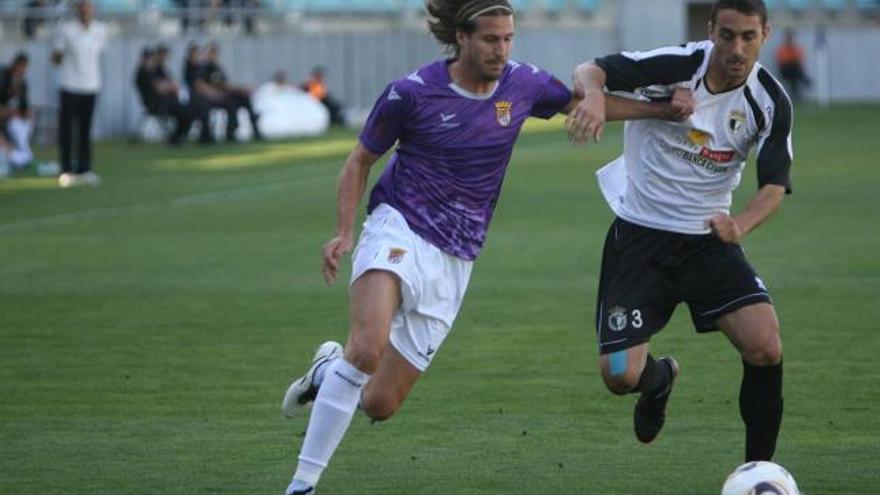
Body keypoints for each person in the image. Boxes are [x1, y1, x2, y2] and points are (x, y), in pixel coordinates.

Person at [278, 1, 693, 494]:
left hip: (456, 259)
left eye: (509, 38)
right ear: (463, 38)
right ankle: (302, 485)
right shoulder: (412, 93)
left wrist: (662, 111)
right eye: (491, 39)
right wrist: (345, 233)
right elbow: (359, 161)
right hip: (399, 227)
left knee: (378, 404)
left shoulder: (524, 84)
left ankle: (328, 370)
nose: (502, 50)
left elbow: (584, 104)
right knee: (367, 346)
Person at [566, 0, 792, 463]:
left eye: (748, 36)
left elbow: (774, 184)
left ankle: (759, 474)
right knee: (619, 376)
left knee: (765, 345)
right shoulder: (675, 64)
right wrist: (604, 98)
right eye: (726, 35)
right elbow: (589, 71)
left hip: (709, 239)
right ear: (711, 30)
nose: (736, 47)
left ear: (765, 34)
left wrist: (741, 224)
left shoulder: (769, 100)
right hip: (640, 237)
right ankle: (659, 379)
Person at [52, 0, 106, 187]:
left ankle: (85, 168)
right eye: (83, 7)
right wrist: (60, 51)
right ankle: (66, 169)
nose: (87, 10)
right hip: (70, 85)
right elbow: (56, 58)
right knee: (67, 130)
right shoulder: (65, 29)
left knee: (85, 129)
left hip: (91, 85)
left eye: (89, 7)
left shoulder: (100, 30)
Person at [201, 41, 262, 141]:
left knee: (245, 99)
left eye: (215, 52)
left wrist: (239, 89)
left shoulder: (217, 67)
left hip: (225, 95)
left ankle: (255, 130)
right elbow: (220, 85)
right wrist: (238, 89)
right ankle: (230, 132)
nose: (214, 54)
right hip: (215, 97)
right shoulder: (205, 67)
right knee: (231, 103)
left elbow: (225, 83)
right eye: (212, 52)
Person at [0, 53, 35, 172]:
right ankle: (22, 156)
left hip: (11, 125)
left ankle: (24, 154)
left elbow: (24, 108)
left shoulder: (22, 84)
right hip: (5, 129)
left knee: (19, 125)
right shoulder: (3, 78)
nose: (23, 71)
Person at [775, 28, 810, 101]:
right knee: (794, 71)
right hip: (786, 71)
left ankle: (797, 93)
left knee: (796, 72)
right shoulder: (782, 48)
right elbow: (782, 61)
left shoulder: (795, 48)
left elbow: (800, 59)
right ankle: (804, 80)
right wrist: (792, 59)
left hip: (794, 71)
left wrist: (792, 59)